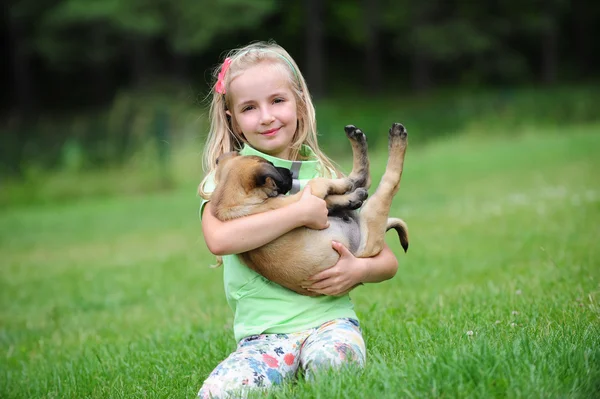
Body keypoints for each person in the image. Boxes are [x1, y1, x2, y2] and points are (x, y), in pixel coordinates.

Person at [197, 41, 398, 398]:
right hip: (265, 337)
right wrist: (299, 213)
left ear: (299, 104)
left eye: (277, 101)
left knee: (334, 372)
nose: (266, 117)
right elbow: (219, 240)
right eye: (249, 108)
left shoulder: (324, 174)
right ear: (233, 121)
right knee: (218, 393)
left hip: (331, 323)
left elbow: (388, 262)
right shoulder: (228, 178)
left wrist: (359, 271)